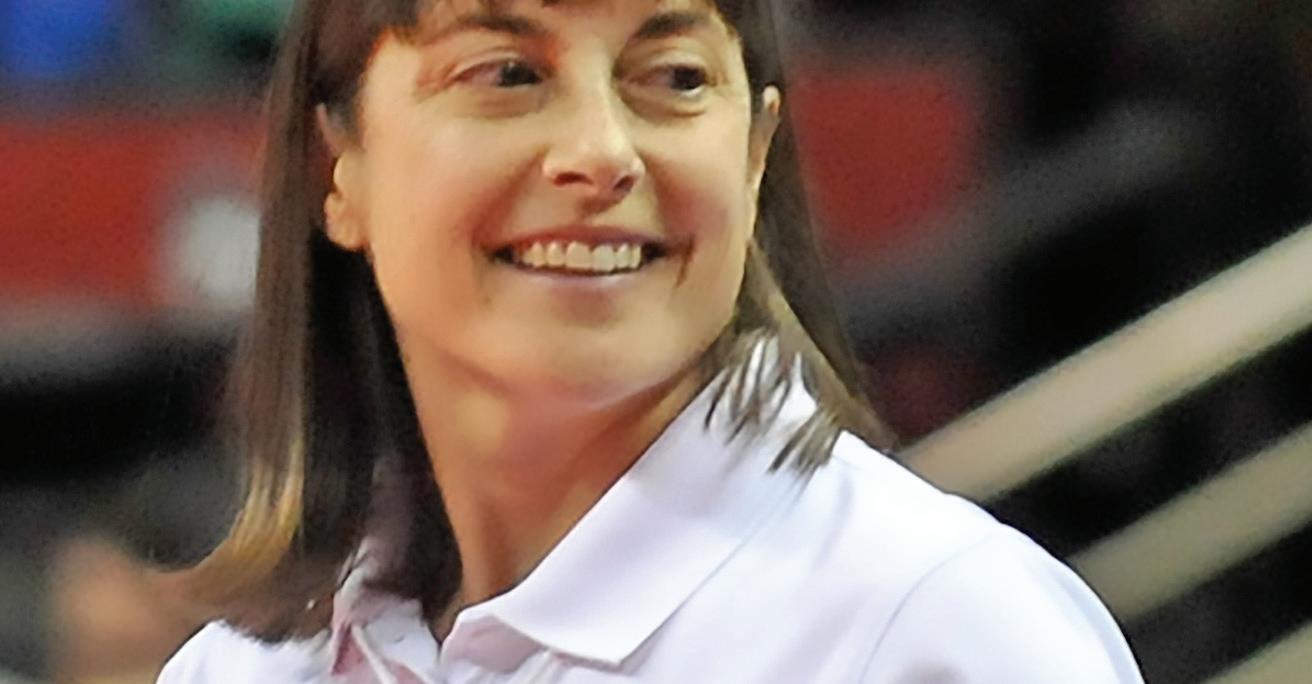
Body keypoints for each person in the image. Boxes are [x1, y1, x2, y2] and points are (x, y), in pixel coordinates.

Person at [158, 0, 1145, 681]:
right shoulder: (239, 670)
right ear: (335, 169)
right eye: (507, 73)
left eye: (673, 78)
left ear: (754, 156)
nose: (601, 153)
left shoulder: (939, 634)